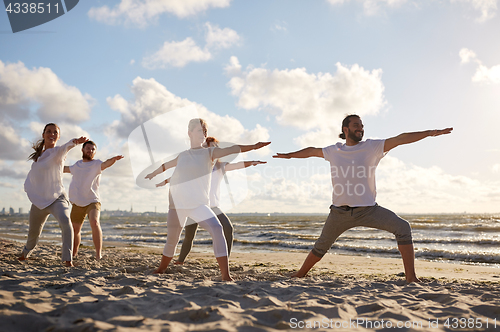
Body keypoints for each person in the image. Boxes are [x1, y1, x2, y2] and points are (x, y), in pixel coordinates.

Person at [273, 114, 452, 283]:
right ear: (345, 129)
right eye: (356, 125)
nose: (360, 128)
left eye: (362, 125)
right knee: (321, 246)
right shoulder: (334, 150)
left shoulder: (371, 147)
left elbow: (400, 139)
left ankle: (411, 278)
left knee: (403, 227)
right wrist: (289, 155)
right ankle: (300, 274)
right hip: (339, 213)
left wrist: (430, 133)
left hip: (369, 210)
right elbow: (312, 151)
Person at [146, 118, 270, 281]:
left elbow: (232, 149)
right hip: (176, 204)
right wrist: (153, 174)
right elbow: (166, 166)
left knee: (217, 228)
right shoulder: (183, 155)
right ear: (189, 133)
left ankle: (226, 275)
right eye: (199, 130)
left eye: (205, 131)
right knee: (173, 240)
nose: (203, 133)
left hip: (197, 204)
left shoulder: (209, 153)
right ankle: (161, 269)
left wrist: (253, 147)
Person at [19, 123, 88, 267]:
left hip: (57, 199)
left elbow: (67, 146)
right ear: (43, 135)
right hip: (39, 201)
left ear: (58, 136)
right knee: (33, 234)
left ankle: (67, 260)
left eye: (55, 132)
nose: (52, 134)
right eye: (49, 132)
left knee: (65, 222)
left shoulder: (58, 151)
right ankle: (25, 254)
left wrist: (75, 141)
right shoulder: (39, 157)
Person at [63, 141, 124, 260]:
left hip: (93, 200)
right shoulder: (76, 165)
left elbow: (106, 164)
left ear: (95, 152)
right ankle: (74, 253)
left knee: (94, 222)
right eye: (88, 148)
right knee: (75, 229)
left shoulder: (97, 164)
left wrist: (114, 159)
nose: (90, 151)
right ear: (83, 150)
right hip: (77, 202)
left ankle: (98, 255)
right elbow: (63, 169)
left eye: (92, 149)